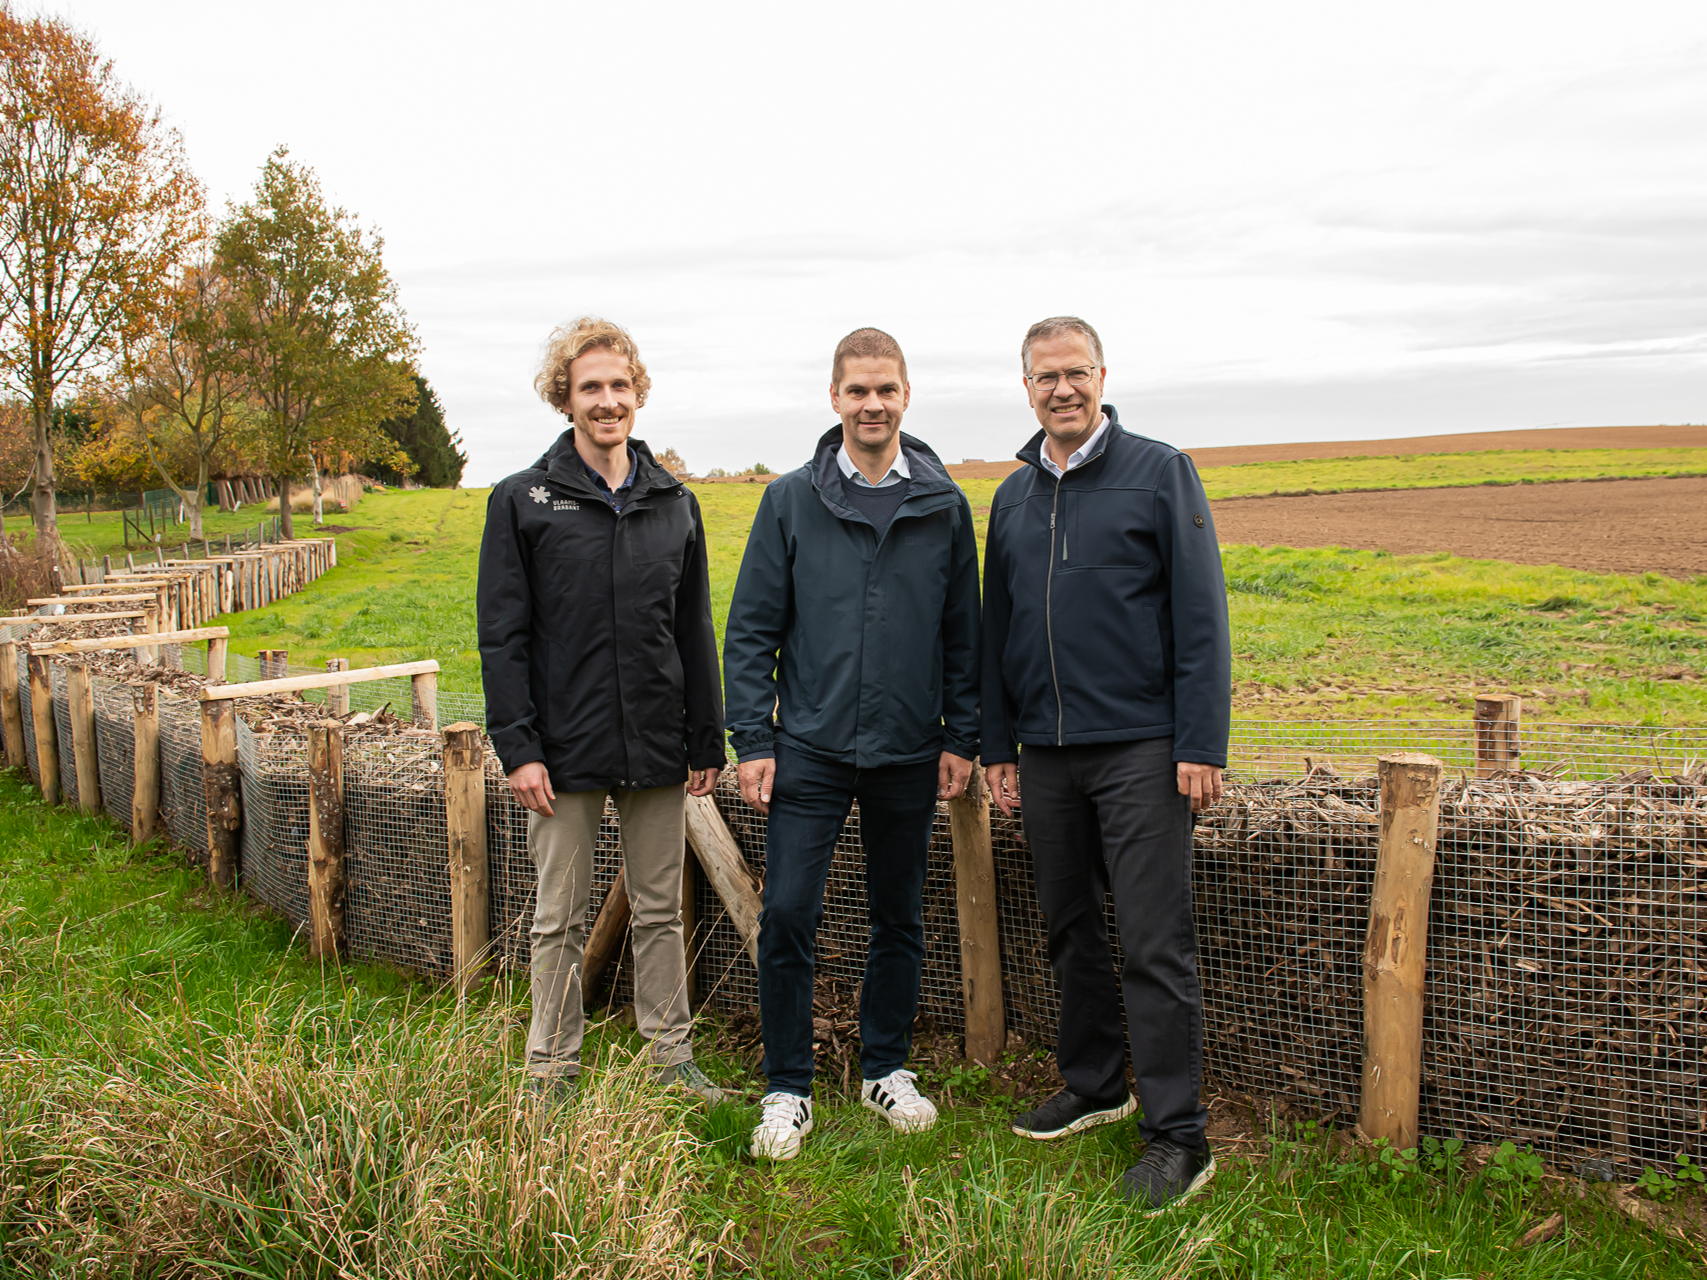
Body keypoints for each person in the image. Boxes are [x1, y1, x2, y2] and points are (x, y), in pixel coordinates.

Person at [980, 315, 1230, 1211]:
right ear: (1026, 387)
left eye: (1075, 373)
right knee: (1068, 926)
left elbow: (1201, 613)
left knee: (1155, 943)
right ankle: (1094, 1083)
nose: (1062, 390)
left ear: (1101, 375)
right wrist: (998, 744)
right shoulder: (1012, 497)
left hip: (1139, 749)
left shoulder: (1158, 471)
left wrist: (1200, 742)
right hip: (1045, 753)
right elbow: (996, 630)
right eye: (1044, 377)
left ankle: (1177, 1136)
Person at [724, 327, 981, 1160]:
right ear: (833, 399)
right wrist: (752, 739)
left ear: (906, 396)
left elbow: (962, 634)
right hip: (811, 748)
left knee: (897, 915)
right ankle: (786, 1087)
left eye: (886, 391)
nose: (872, 405)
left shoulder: (942, 504)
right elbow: (751, 628)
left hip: (910, 749)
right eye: (857, 392)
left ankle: (884, 1069)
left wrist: (962, 735)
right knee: (790, 913)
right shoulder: (791, 500)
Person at [478, 316, 725, 1103]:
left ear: (637, 393)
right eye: (591, 388)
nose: (607, 400)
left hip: (656, 739)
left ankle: (671, 1060)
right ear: (565, 398)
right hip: (562, 747)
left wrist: (704, 739)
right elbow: (502, 634)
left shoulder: (673, 503)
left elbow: (693, 629)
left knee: (660, 909)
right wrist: (518, 747)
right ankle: (550, 1068)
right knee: (556, 916)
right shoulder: (523, 501)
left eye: (619, 386)